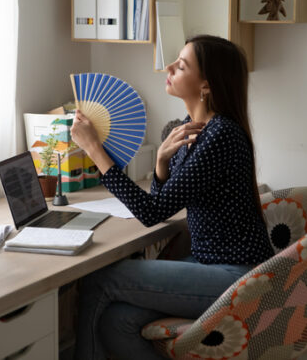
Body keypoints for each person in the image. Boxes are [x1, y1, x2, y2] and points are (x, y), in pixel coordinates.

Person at [70, 35, 274, 360]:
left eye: (181, 65)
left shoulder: (221, 135)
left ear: (205, 85)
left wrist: (94, 148)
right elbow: (161, 203)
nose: (168, 68)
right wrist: (161, 163)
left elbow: (151, 212)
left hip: (237, 276)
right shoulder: (191, 129)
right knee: (116, 321)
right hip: (209, 265)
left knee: (101, 278)